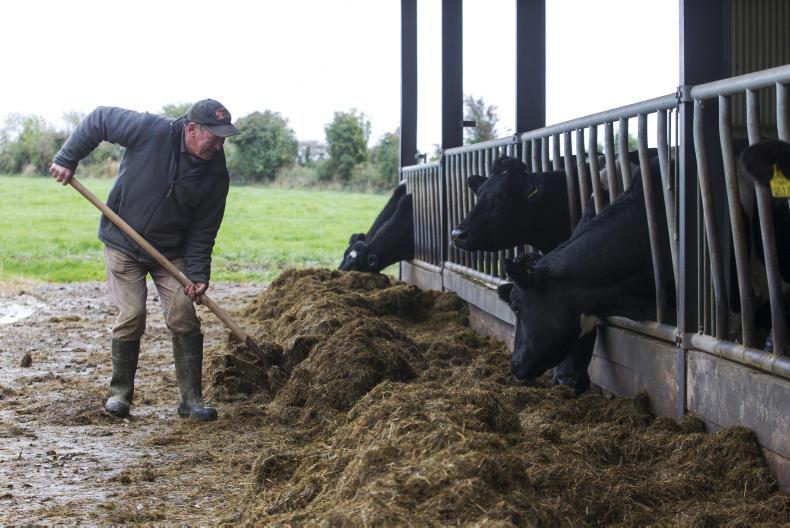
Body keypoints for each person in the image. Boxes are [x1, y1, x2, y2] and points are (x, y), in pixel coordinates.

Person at [49, 99, 240, 421]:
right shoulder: (153, 130)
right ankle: (120, 395)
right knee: (132, 315)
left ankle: (191, 401)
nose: (219, 144)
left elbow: (204, 230)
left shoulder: (216, 175)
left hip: (171, 252)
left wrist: (197, 274)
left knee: (184, 315)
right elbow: (100, 118)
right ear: (192, 129)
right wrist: (68, 157)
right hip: (123, 242)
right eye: (215, 136)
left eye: (224, 138)